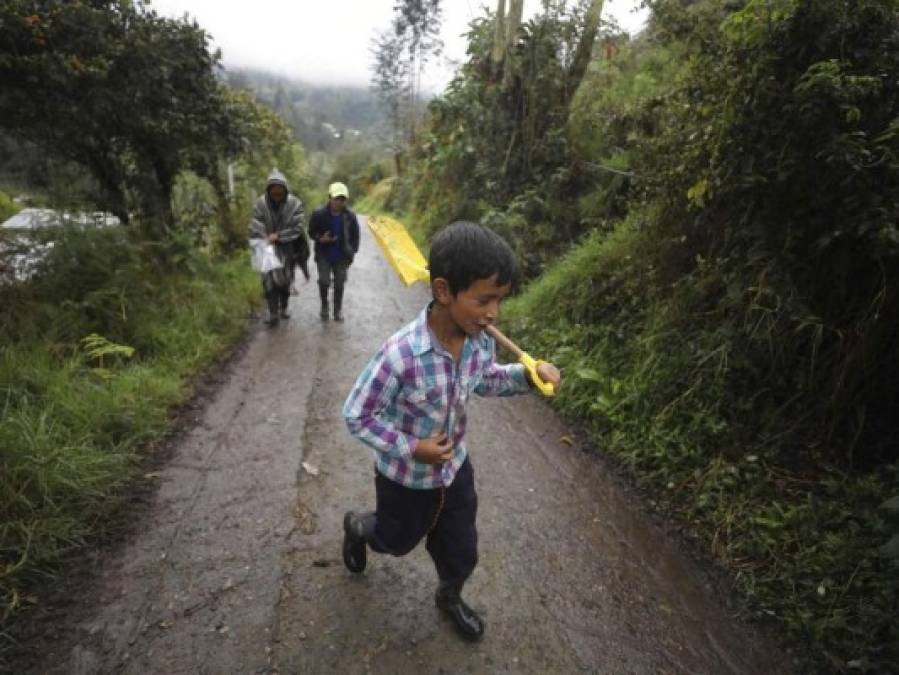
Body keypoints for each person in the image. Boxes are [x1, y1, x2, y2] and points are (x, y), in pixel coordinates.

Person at [341, 221, 563, 641]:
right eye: (484, 299)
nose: (494, 313)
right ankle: (357, 527)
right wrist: (411, 447)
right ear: (443, 291)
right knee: (395, 540)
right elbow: (357, 415)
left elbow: (484, 379)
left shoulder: (480, 341)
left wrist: (529, 375)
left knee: (461, 548)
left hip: (454, 470)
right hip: (406, 480)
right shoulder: (400, 355)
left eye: (499, 300)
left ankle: (449, 596)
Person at [249, 170, 307, 326]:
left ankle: (284, 307)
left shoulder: (295, 204)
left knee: (285, 280)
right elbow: (255, 224)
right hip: (265, 247)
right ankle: (273, 313)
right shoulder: (260, 204)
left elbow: (298, 227)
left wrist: (279, 236)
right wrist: (264, 237)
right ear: (268, 191)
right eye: (273, 194)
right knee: (269, 282)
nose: (277, 197)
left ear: (285, 191)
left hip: (287, 248)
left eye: (280, 194)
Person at [307, 182, 360, 322]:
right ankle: (324, 306)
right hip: (324, 254)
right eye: (336, 198)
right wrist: (320, 238)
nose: (339, 202)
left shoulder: (350, 216)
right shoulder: (318, 214)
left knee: (339, 283)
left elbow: (356, 235)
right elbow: (311, 232)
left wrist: (352, 251)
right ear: (329, 198)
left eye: (342, 199)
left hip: (342, 256)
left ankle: (337, 310)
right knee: (324, 281)